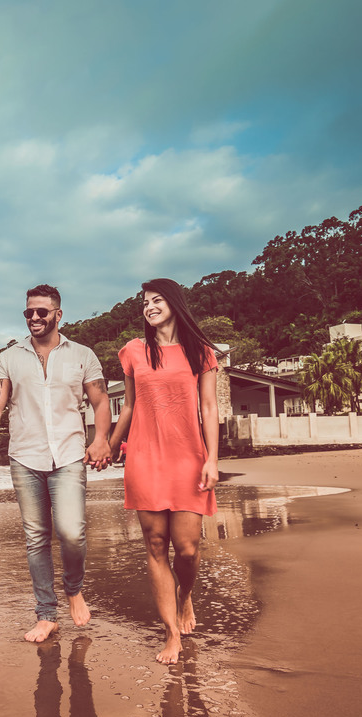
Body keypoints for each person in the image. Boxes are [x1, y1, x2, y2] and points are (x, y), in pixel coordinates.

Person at [0, 284, 113, 643]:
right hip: (25, 457)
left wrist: (101, 440)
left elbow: (101, 402)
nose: (34, 318)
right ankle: (46, 614)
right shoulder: (8, 358)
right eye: (28, 312)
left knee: (71, 532)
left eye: (41, 312)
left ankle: (74, 589)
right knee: (36, 538)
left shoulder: (83, 355)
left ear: (58, 314)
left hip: (69, 454)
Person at [107, 278, 220, 665]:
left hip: (188, 457)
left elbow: (209, 407)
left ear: (174, 303)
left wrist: (212, 458)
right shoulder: (134, 351)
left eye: (156, 300)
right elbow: (130, 406)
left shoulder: (201, 352)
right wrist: (108, 445)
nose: (149, 307)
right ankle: (172, 633)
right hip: (144, 456)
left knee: (187, 549)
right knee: (156, 545)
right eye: (145, 302)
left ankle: (184, 595)